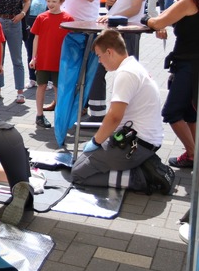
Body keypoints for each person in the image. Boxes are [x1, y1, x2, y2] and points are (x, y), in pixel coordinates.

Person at [71, 30, 173, 194]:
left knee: (78, 173)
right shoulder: (133, 66)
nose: (99, 61)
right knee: (85, 160)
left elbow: (114, 117)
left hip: (136, 143)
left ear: (109, 52)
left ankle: (140, 178)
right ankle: (139, 166)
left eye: (99, 56)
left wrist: (96, 142)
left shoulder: (126, 73)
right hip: (142, 139)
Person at [146, 0, 199, 168]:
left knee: (172, 112)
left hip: (189, 66)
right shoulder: (189, 2)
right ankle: (194, 153)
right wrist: (161, 26)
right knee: (189, 113)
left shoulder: (187, 2)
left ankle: (193, 154)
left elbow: (157, 21)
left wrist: (147, 20)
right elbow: (166, 21)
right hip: (189, 63)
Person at [59, 0, 102, 118]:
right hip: (68, 28)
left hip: (86, 30)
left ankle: (84, 107)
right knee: (69, 70)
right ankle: (66, 103)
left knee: (85, 71)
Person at [29, 0, 73, 128]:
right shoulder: (41, 17)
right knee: (40, 86)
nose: (51, 4)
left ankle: (59, 116)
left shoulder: (68, 19)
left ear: (61, 1)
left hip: (60, 61)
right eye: (49, 1)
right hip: (43, 59)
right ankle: (39, 115)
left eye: (54, 1)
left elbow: (71, 41)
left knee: (57, 88)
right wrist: (33, 58)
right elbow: (36, 38)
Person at [24, 0, 54, 88]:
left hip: (46, 29)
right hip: (30, 28)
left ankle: (50, 80)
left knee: (47, 54)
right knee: (30, 53)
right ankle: (32, 78)